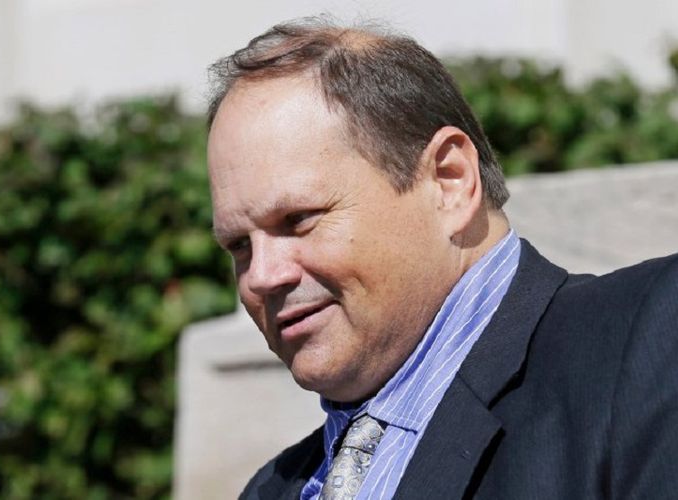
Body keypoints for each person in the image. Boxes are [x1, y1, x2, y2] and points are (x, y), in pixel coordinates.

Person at [206, 17, 678, 500]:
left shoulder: (648, 338)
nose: (261, 276)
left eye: (299, 219)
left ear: (449, 182)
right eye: (239, 245)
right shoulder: (270, 489)